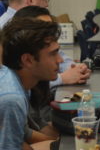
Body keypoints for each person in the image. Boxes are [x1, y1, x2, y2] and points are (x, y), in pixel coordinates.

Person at [0, 0, 91, 88]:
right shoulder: (4, 30)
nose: (46, 4)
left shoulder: (36, 21)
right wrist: (62, 78)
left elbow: (55, 55)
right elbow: (11, 82)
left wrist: (76, 69)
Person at [0, 18, 61, 149]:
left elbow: (22, 133)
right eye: (53, 54)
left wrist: (58, 142)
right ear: (28, 60)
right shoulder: (12, 98)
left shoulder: (20, 81)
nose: (60, 60)